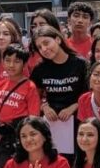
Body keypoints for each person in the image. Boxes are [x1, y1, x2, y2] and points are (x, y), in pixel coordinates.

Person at [30, 27, 88, 156]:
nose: (44, 49)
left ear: (58, 39)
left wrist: (73, 107)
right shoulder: (40, 68)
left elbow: (90, 94)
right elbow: (33, 95)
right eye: (39, 47)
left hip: (78, 123)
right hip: (52, 124)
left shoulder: (80, 64)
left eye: (46, 43)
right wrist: (44, 106)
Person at [0, 45, 41, 168]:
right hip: (1, 141)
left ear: (24, 64)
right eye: (7, 60)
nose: (11, 65)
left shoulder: (30, 86)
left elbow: (34, 118)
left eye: (17, 61)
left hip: (20, 140)